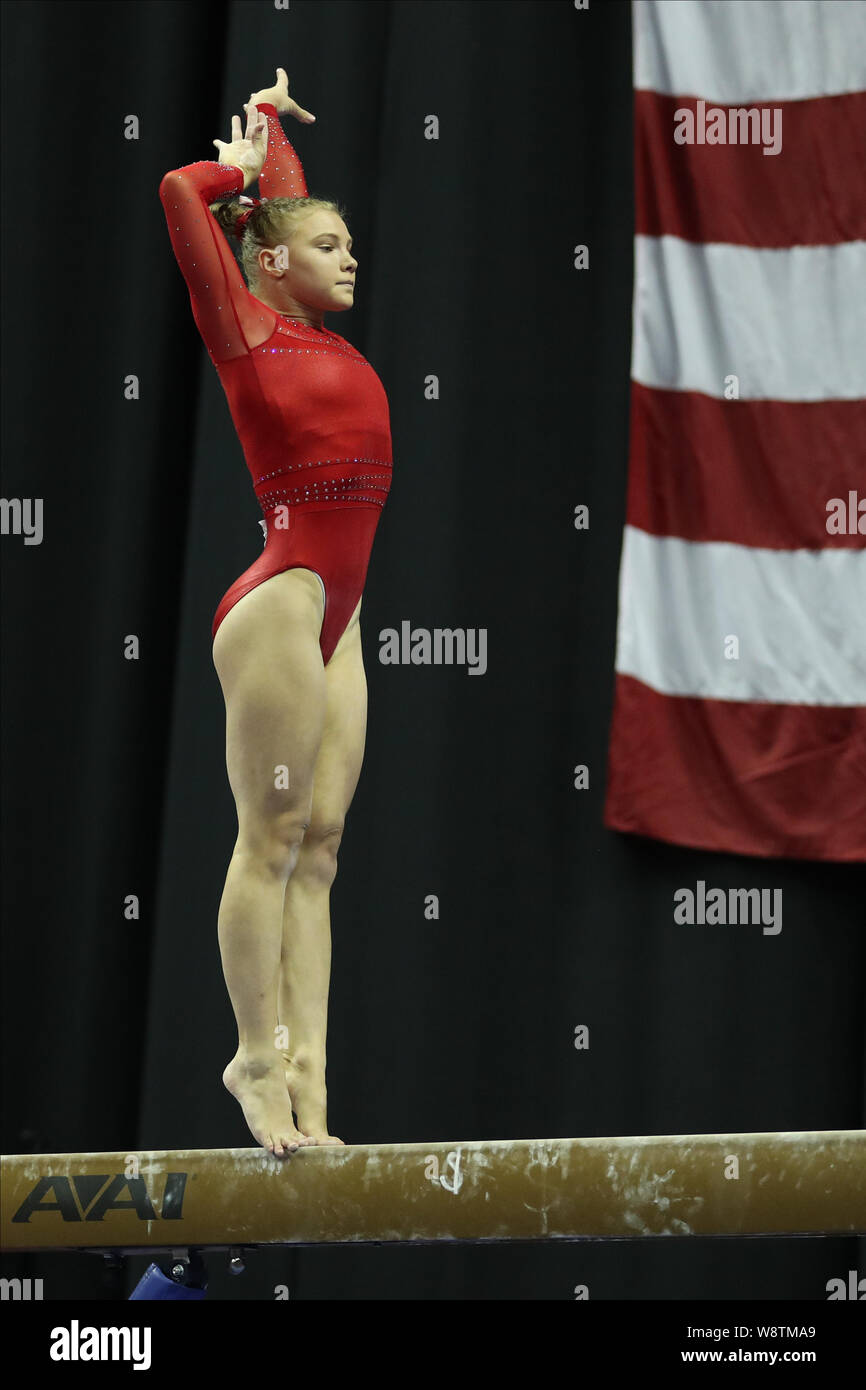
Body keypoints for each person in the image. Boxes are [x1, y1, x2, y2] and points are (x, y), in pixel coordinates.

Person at [159, 68, 392, 1156]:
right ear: (267, 264)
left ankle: (310, 1090)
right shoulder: (243, 328)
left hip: (338, 616)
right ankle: (253, 1057)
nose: (348, 256)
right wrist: (234, 171)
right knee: (268, 841)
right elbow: (179, 192)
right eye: (328, 246)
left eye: (351, 243)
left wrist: (265, 123)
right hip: (281, 601)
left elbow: (277, 212)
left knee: (321, 846)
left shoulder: (323, 336)